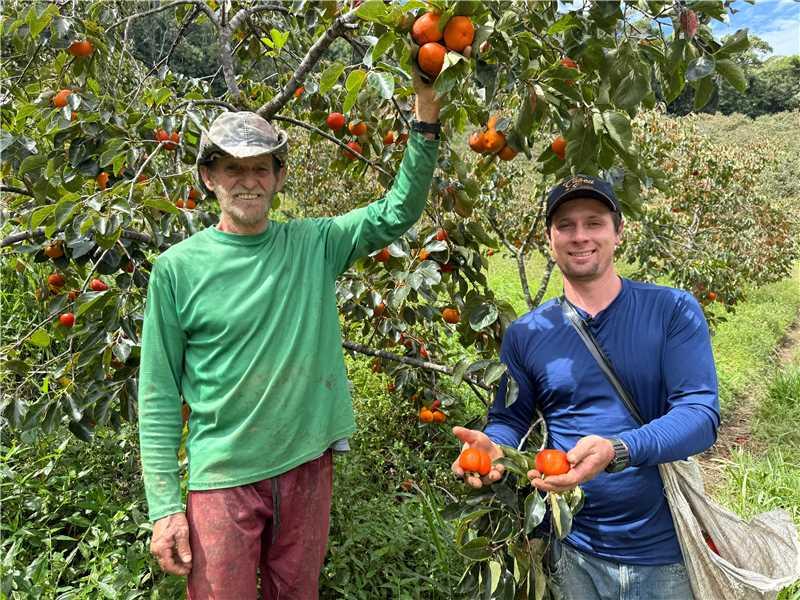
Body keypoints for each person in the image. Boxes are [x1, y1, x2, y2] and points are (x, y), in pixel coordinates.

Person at [138, 76, 440, 599]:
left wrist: (426, 111)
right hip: (223, 476)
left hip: (305, 466)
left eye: (260, 168)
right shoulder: (176, 270)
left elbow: (399, 210)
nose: (247, 181)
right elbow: (159, 394)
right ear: (209, 177)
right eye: (232, 168)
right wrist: (165, 507)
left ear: (279, 177)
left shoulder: (314, 244)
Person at [452, 174, 720, 600]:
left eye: (594, 222)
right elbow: (510, 417)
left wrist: (617, 449)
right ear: (549, 238)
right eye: (566, 225)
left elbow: (700, 415)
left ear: (618, 231)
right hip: (572, 551)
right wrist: (492, 445)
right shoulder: (526, 333)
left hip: (665, 556)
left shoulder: (671, 310)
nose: (580, 236)